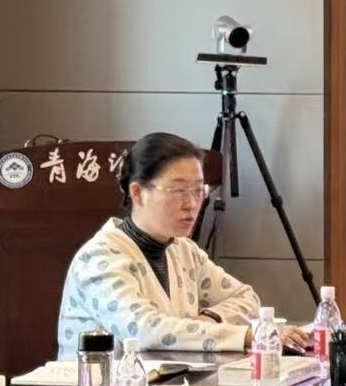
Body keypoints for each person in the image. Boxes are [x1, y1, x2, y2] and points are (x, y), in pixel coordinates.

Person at [55, 132, 306, 358]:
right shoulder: (100, 257)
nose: (191, 204)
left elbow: (247, 299)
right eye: (178, 191)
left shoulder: (183, 250)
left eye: (198, 191)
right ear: (137, 192)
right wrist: (251, 335)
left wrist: (210, 317)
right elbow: (145, 331)